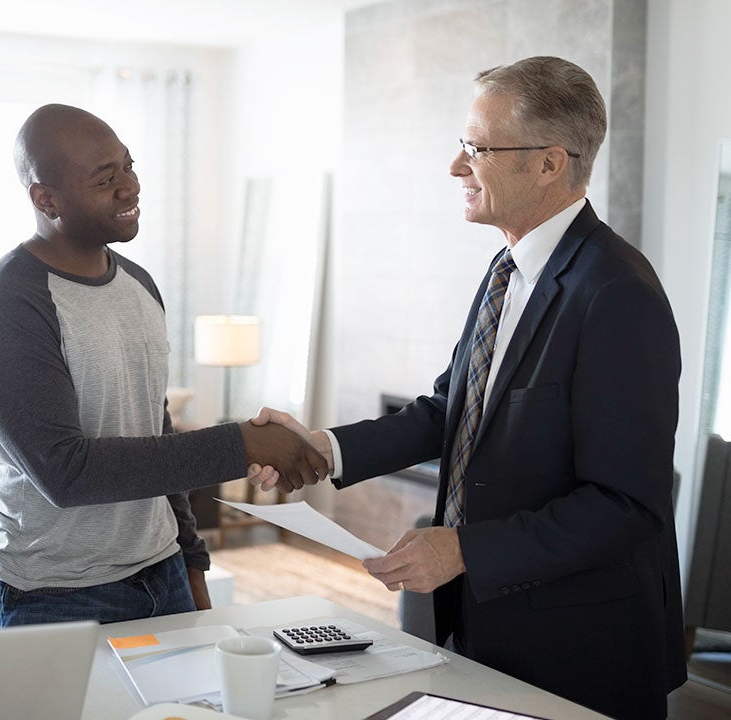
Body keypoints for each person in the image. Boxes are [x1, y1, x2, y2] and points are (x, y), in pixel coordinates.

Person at [250, 56, 685, 720]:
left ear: (549, 164)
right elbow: (448, 412)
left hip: (578, 651)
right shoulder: (504, 270)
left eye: (476, 148)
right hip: (487, 626)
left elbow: (627, 504)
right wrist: (325, 448)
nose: (456, 167)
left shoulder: (617, 292)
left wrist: (463, 549)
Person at [0, 103, 329, 628]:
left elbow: (154, 430)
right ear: (46, 199)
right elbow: (66, 474)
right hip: (55, 594)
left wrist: (192, 557)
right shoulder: (8, 303)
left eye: (129, 166)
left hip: (164, 572)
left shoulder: (139, 285)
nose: (130, 187)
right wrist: (241, 443)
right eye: (106, 177)